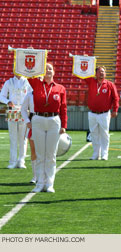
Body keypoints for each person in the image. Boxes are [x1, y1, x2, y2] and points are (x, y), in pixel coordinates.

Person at [28, 63, 67, 193]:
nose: (48, 71)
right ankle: (39, 183)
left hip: (54, 120)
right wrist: (33, 55)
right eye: (45, 69)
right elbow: (28, 73)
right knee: (40, 154)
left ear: (54, 72)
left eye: (50, 69)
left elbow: (64, 108)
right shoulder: (36, 84)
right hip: (38, 119)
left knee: (50, 155)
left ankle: (50, 184)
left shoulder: (60, 88)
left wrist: (64, 125)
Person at [80, 66, 119, 160]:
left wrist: (115, 110)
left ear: (105, 74)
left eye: (103, 72)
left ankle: (105, 154)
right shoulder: (91, 82)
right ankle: (96, 154)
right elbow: (83, 74)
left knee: (104, 134)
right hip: (92, 113)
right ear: (96, 73)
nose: (101, 73)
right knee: (94, 134)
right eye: (99, 72)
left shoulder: (109, 84)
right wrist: (86, 59)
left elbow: (116, 98)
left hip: (104, 113)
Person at [0, 74, 32, 169]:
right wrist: (8, 101)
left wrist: (28, 106)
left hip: (24, 110)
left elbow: (31, 95)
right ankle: (12, 161)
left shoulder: (27, 82)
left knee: (23, 137)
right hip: (12, 110)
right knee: (13, 137)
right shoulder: (8, 82)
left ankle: (21, 161)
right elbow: (1, 96)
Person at [21, 91, 37, 183]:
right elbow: (23, 109)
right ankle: (35, 176)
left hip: (46, 122)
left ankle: (45, 176)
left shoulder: (48, 93)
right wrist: (27, 121)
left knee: (45, 152)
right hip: (34, 122)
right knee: (34, 150)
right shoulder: (30, 94)